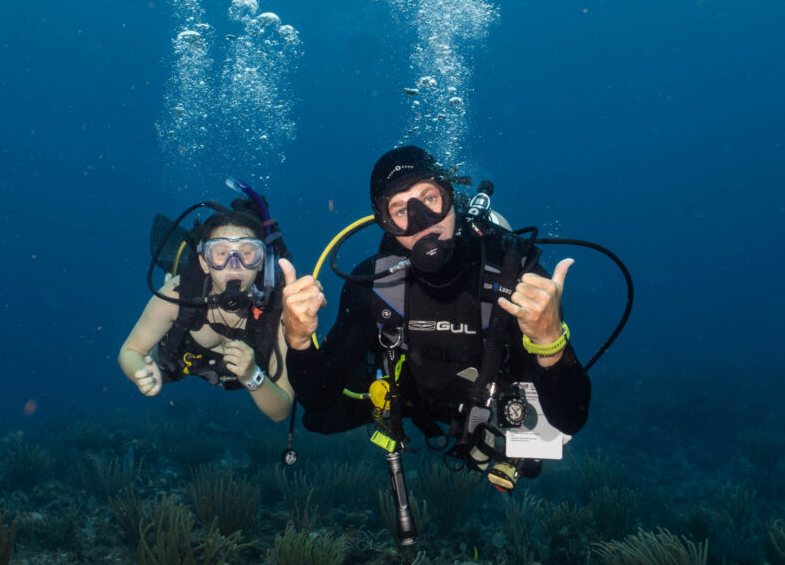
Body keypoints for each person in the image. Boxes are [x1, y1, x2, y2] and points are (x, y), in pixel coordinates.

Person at [278, 145, 590, 489]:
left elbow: (569, 420)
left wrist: (550, 343)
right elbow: (316, 400)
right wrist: (298, 341)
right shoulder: (375, 283)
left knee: (544, 443)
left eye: (430, 197)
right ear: (384, 222)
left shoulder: (512, 273)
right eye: (399, 209)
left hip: (495, 403)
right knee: (318, 420)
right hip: (414, 400)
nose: (422, 221)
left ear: (451, 195)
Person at [118, 202, 295, 422]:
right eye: (220, 253)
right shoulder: (177, 294)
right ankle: (173, 279)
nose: (234, 265)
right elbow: (131, 350)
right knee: (163, 366)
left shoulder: (277, 309)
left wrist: (252, 376)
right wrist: (141, 374)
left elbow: (281, 411)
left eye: (247, 253)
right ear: (204, 262)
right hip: (182, 360)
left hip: (246, 373)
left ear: (261, 262)